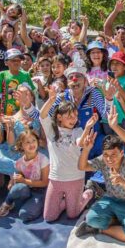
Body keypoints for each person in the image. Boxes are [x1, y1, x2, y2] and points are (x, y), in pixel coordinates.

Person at [75, 133, 125, 242]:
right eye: (105, 154)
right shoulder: (103, 160)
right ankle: (118, 221)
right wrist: (86, 149)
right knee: (91, 219)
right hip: (111, 199)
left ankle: (101, 230)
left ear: (122, 153)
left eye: (113, 154)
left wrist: (123, 182)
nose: (109, 159)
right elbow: (82, 166)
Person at [39, 89, 94, 222]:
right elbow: (42, 115)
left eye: (75, 116)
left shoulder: (78, 130)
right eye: (69, 116)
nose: (73, 119)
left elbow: (80, 143)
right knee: (48, 217)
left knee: (72, 215)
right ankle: (67, 202)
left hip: (75, 178)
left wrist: (87, 128)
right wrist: (51, 100)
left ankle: (90, 192)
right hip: (56, 179)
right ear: (59, 117)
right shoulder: (52, 131)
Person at [0, 130, 50, 221]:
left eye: (33, 141)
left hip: (41, 191)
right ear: (21, 145)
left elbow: (45, 182)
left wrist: (24, 181)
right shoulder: (19, 162)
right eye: (27, 142)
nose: (31, 144)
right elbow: (17, 176)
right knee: (18, 187)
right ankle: (7, 203)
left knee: (24, 215)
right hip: (28, 189)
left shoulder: (43, 159)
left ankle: (37, 204)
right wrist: (12, 182)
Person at [0, 49, 34, 116]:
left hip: (25, 112)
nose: (16, 62)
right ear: (6, 62)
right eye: (13, 60)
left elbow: (32, 92)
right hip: (7, 112)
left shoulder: (26, 75)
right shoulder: (2, 75)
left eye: (19, 60)